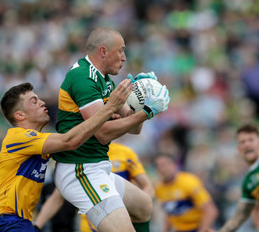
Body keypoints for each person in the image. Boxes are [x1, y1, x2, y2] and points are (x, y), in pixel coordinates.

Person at [52, 27, 170, 232]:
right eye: (121, 51)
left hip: (96, 165)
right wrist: (148, 112)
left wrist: (140, 99)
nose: (124, 58)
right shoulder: (83, 77)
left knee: (143, 206)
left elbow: (133, 128)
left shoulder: (104, 79)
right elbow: (102, 132)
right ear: (103, 52)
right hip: (79, 168)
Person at [0, 79, 134, 232]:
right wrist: (110, 108)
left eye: (39, 99)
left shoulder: (38, 143)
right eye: (34, 101)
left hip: (20, 222)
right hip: (5, 222)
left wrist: (103, 121)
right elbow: (70, 140)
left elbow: (78, 142)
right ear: (20, 115)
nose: (42, 102)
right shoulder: (18, 137)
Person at [33, 142, 154, 231]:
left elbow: (147, 186)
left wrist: (124, 210)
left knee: (144, 205)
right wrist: (37, 226)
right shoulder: (82, 157)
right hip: (91, 226)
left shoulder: (125, 152)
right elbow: (56, 198)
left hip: (123, 218)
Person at [154, 153, 219, 232]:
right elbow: (170, 213)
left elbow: (211, 211)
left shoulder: (189, 182)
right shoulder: (159, 188)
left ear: (175, 165)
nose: (162, 169)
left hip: (198, 227)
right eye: (158, 166)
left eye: (164, 165)